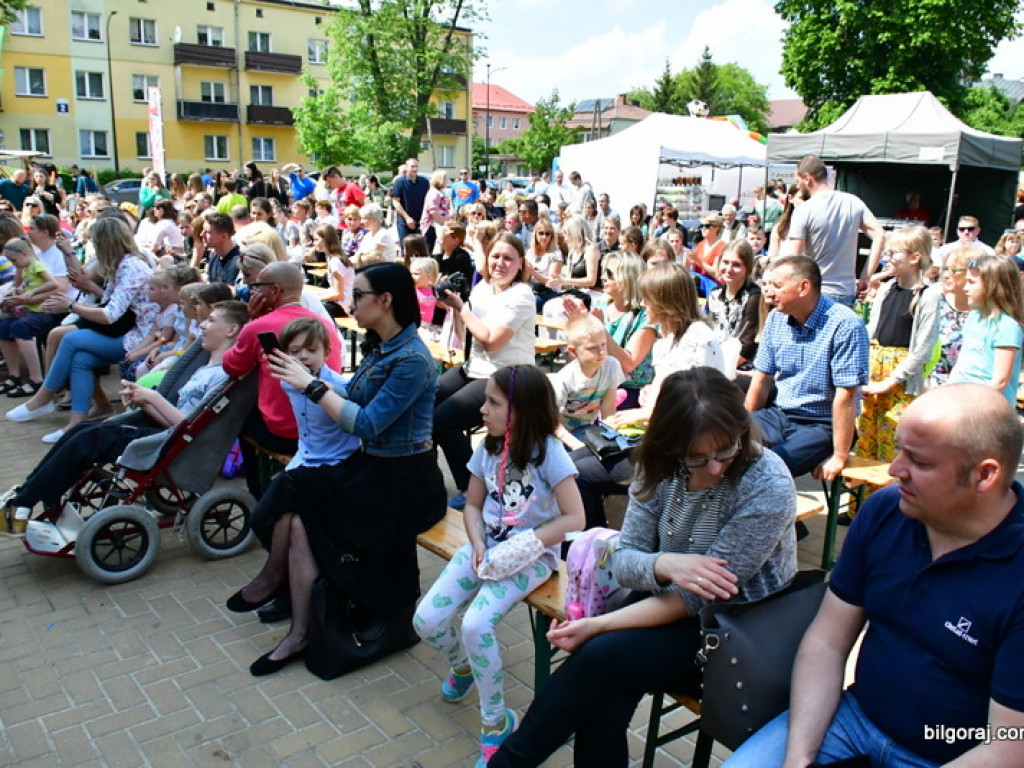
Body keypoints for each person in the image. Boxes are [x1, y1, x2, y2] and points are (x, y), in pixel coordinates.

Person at [491, 366, 799, 768]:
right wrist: (666, 563)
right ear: (671, 446)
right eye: (697, 458)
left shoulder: (766, 483)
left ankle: (507, 762)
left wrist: (599, 624)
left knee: (598, 661)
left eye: (727, 451)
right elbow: (626, 563)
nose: (715, 468)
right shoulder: (658, 465)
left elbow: (693, 600)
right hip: (671, 599)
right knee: (603, 687)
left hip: (738, 629)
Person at [724, 384, 1024, 768]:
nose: (896, 470)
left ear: (985, 475)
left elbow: (1008, 744)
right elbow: (828, 640)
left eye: (919, 462)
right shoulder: (887, 511)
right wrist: (799, 758)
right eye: (899, 450)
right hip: (851, 720)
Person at [229, 264, 447, 672]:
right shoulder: (382, 346)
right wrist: (310, 376)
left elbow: (365, 422)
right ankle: (299, 625)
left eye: (358, 294)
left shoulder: (413, 359)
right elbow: (349, 395)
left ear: (385, 300)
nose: (349, 302)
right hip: (374, 469)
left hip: (404, 480)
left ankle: (278, 589)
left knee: (293, 490)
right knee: (295, 518)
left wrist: (309, 383)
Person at [414, 364, 585, 767]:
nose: (482, 410)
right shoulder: (489, 446)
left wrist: (528, 542)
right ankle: (463, 667)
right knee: (426, 621)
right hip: (484, 549)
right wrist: (476, 543)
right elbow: (472, 504)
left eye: (493, 402)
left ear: (520, 411)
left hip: (531, 559)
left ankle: (495, 723)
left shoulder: (550, 454)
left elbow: (575, 518)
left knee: (476, 624)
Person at [2, 301, 248, 534]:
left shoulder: (223, 376)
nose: (203, 325)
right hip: (168, 433)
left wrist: (152, 398)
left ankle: (22, 503)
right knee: (80, 431)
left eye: (211, 320)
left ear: (231, 330)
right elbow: (177, 421)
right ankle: (31, 494)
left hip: (172, 444)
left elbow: (191, 426)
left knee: (87, 440)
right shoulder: (203, 368)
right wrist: (143, 401)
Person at [570, 263, 723, 528]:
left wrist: (646, 410)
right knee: (571, 462)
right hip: (652, 437)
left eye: (647, 298)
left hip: (676, 452)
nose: (642, 304)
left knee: (575, 474)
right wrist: (648, 400)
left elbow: (701, 410)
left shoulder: (700, 339)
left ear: (666, 300)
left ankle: (594, 550)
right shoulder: (667, 341)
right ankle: (592, 544)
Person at [6, 217, 156, 440]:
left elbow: (110, 314)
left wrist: (69, 305)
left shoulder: (132, 266)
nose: (93, 246)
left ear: (105, 242)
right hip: (131, 331)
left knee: (70, 340)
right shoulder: (122, 264)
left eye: (96, 242)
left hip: (142, 337)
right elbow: (108, 300)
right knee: (80, 358)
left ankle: (45, 396)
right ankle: (75, 422)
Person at [221, 262, 342, 498]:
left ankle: (258, 492)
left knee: (238, 413)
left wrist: (251, 321)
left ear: (275, 291)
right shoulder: (324, 324)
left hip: (285, 432)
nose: (252, 292)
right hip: (325, 427)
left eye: (257, 287)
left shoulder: (259, 326)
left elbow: (231, 367)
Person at [433, 234, 536, 510]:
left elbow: (491, 343)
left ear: (520, 264)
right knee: (423, 399)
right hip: (475, 368)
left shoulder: (522, 294)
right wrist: (454, 307)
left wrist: (461, 308)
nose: (500, 263)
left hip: (505, 375)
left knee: (444, 420)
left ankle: (471, 490)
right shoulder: (482, 289)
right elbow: (462, 334)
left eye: (508, 258)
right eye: (495, 257)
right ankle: (426, 480)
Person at [745, 255, 870, 482]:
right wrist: (744, 424)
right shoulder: (775, 318)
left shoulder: (845, 324)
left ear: (803, 287)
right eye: (767, 285)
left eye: (777, 286)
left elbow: (846, 395)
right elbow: (761, 379)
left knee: (770, 468)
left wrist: (839, 456)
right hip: (779, 414)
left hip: (821, 424)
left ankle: (784, 517)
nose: (768, 293)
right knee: (725, 446)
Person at [856, 226, 940, 462]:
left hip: (900, 379)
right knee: (865, 441)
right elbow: (871, 330)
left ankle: (892, 497)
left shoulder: (927, 295)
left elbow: (923, 349)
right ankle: (863, 499)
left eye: (895, 253)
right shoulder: (885, 289)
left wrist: (890, 382)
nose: (888, 257)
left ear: (915, 258)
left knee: (893, 445)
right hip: (874, 370)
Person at [784, 155, 885, 305]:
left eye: (798, 181)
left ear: (807, 178)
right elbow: (880, 235)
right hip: (846, 292)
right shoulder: (853, 202)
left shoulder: (804, 210)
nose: (798, 186)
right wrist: (866, 276)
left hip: (815, 292)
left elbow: (793, 257)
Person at [947, 253, 1024, 405]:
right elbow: (961, 363)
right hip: (961, 398)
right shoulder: (975, 316)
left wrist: (971, 403)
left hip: (987, 407)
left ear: (992, 286)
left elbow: (1000, 381)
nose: (965, 287)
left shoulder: (1006, 325)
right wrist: (949, 391)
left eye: (971, 282)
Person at [552, 314, 624, 451]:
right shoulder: (564, 379)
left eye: (604, 344)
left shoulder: (611, 366)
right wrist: (576, 445)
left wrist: (613, 438)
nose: (601, 351)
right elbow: (552, 423)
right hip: (561, 436)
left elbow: (608, 410)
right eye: (593, 347)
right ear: (573, 351)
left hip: (587, 429)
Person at [0, 238, 58, 397]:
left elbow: (53, 284)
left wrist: (32, 293)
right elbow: (16, 286)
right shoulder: (23, 266)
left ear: (24, 253)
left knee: (20, 327)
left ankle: (36, 378)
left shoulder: (35, 265)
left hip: (44, 311)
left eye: (14, 260)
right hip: (30, 310)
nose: (13, 264)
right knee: (4, 327)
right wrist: (13, 294)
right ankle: (14, 375)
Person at [706, 239, 762, 370]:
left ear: (747, 268)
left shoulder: (754, 296)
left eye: (736, 265)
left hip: (741, 366)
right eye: (725, 262)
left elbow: (748, 346)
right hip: (715, 360)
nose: (729, 269)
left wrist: (719, 369)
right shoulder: (715, 294)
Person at [927, 246, 971, 388]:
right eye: (945, 269)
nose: (946, 275)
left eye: (954, 271)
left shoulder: (984, 312)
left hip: (967, 388)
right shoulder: (934, 300)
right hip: (929, 385)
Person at [526, 218, 564, 312]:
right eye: (541, 233)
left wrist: (533, 272)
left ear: (552, 236)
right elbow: (525, 277)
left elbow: (551, 282)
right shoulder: (531, 252)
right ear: (535, 234)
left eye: (547, 233)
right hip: (531, 289)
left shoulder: (556, 253)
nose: (544, 236)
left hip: (547, 292)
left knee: (529, 304)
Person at [392, 158, 430, 244]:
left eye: (416, 166)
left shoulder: (424, 182)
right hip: (404, 221)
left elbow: (428, 201)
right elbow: (396, 202)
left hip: (420, 221)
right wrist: (407, 218)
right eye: (412, 166)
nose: (414, 169)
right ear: (407, 167)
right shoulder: (399, 182)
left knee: (421, 249)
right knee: (406, 248)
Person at [203, 212, 240, 285]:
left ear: (224, 237)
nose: (202, 234)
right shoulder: (214, 257)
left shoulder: (238, 262)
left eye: (207, 232)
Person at [421, 169, 451, 254]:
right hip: (432, 227)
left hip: (440, 225)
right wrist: (445, 222)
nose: (447, 181)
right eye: (445, 178)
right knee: (432, 251)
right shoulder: (434, 193)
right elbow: (433, 212)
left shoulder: (441, 192)